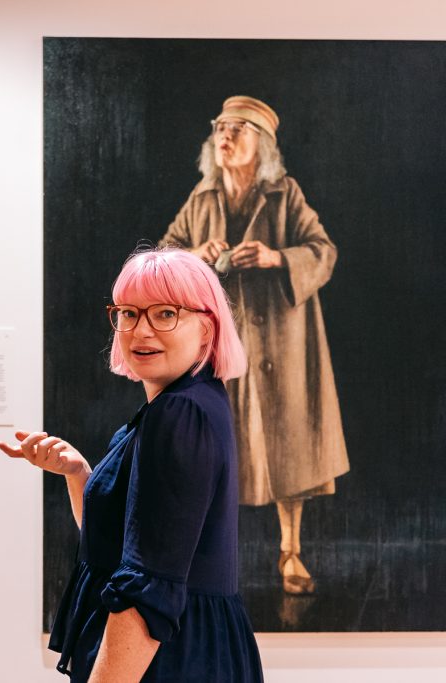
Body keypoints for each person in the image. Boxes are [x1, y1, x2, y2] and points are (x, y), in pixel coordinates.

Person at [0, 249, 263, 682]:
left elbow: (147, 589)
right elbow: (127, 546)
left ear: (206, 329)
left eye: (165, 313)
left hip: (170, 661)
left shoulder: (178, 415)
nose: (141, 330)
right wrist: (80, 475)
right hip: (187, 651)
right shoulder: (190, 403)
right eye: (128, 313)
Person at [159, 96, 349, 594]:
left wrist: (274, 257)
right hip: (223, 350)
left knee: (290, 446)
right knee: (219, 450)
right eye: (219, 127)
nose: (224, 136)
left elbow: (323, 251)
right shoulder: (201, 200)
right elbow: (163, 255)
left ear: (260, 144)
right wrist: (195, 255)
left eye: (237, 129)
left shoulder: (285, 195)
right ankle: (214, 559)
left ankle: (291, 551)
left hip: (282, 346)